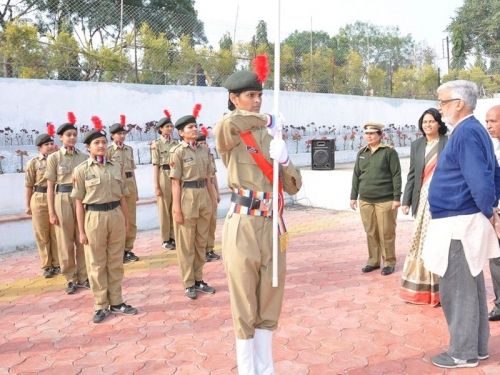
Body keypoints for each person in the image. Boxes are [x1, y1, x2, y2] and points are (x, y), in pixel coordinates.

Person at [215, 62, 302, 374]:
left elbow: (294, 185)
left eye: (259, 96)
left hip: (273, 225)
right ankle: (246, 370)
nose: (256, 101)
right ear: (234, 98)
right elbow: (230, 124)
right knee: (244, 303)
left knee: (270, 300)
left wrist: (285, 157)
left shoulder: (270, 136)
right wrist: (267, 119)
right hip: (244, 224)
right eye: (250, 95)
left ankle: (266, 369)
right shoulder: (231, 132)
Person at [422, 80, 499, 369]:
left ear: (458, 103)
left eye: (442, 102)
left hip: (459, 222)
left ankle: (462, 352)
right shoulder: (474, 130)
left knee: (457, 289)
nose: (440, 109)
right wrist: (489, 208)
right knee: (472, 287)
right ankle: (476, 347)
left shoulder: (466, 132)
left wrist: (488, 208)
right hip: (464, 219)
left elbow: (481, 180)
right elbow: (495, 173)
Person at [72, 116, 138, 323]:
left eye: (103, 142)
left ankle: (117, 301)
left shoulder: (115, 167)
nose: (101, 145)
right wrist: (81, 231)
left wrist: (127, 222)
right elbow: (78, 202)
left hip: (116, 215)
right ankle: (100, 304)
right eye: (96, 143)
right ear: (88, 147)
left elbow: (122, 197)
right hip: (94, 217)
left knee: (115, 261)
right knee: (97, 263)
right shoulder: (81, 170)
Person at [400, 108, 448, 305]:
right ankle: (419, 287)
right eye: (424, 122)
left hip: (442, 199)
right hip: (422, 200)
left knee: (437, 242)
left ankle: (440, 291)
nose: (427, 125)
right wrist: (406, 200)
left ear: (439, 123)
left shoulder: (448, 142)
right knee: (420, 240)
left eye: (431, 121)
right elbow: (412, 173)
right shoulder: (417, 145)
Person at [170, 105, 218, 300]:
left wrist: (213, 198)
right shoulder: (178, 152)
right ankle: (188, 282)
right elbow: (175, 182)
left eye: (195, 126)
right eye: (190, 127)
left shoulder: (203, 151)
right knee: (186, 243)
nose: (194, 129)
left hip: (203, 197)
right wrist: (176, 208)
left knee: (201, 241)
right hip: (187, 196)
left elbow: (208, 178)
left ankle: (199, 279)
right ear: (181, 133)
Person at [45, 112, 89, 294]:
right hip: (61, 199)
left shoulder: (83, 157)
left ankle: (83, 276)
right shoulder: (54, 158)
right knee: (64, 240)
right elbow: (50, 186)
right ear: (61, 137)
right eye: (68, 135)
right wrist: (51, 212)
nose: (72, 138)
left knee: (82, 238)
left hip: (80, 199)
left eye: (74, 135)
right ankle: (70, 278)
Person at [350, 122, 402, 276]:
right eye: (367, 133)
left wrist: (397, 198)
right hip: (365, 200)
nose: (369, 136)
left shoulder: (389, 152)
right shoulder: (361, 152)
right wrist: (353, 196)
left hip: (385, 200)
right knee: (371, 231)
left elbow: (396, 175)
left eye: (372, 133)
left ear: (380, 135)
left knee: (386, 232)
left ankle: (389, 262)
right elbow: (356, 175)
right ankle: (373, 261)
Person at [25, 123, 60, 278]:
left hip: (56, 197)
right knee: (42, 233)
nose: (50, 146)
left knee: (56, 232)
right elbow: (28, 185)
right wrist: (27, 205)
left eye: (51, 143)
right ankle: (47, 265)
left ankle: (58, 263)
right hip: (39, 198)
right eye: (46, 144)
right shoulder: (33, 163)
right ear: (39, 147)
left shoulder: (58, 159)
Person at [106, 115, 139, 263]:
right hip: (115, 187)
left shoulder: (129, 150)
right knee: (118, 220)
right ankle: (117, 250)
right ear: (112, 136)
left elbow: (131, 171)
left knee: (130, 219)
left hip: (129, 185)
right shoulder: (108, 151)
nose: (122, 135)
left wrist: (136, 190)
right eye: (119, 133)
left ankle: (128, 249)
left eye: (123, 133)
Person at [151, 110, 178, 250]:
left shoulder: (176, 143)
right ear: (160, 129)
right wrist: (156, 185)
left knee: (175, 206)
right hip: (163, 174)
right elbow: (155, 165)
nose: (169, 129)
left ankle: (174, 236)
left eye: (171, 126)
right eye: (167, 126)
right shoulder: (156, 144)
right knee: (164, 209)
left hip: (175, 175)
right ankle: (165, 239)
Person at [485, 104, 500, 321]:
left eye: (493, 121)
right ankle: (499, 304)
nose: (489, 126)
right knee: (496, 258)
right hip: (495, 212)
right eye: (487, 121)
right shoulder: (491, 148)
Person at [197, 132, 221, 262]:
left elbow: (214, 176)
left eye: (205, 142)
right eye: (201, 143)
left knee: (212, 221)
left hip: (210, 189)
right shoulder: (197, 157)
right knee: (203, 223)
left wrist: (217, 192)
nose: (204, 145)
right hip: (201, 190)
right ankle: (203, 250)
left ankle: (210, 248)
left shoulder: (210, 156)